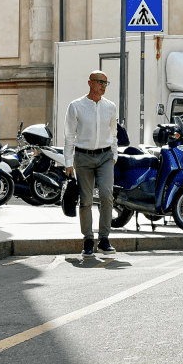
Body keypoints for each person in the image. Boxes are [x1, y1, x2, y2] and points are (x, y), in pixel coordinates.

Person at [65, 71, 118, 256]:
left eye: (106, 82)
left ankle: (104, 239)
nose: (103, 85)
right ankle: (88, 240)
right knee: (86, 200)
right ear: (90, 83)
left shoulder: (110, 106)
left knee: (106, 195)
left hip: (105, 157)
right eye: (99, 82)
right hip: (83, 158)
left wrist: (114, 155)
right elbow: (70, 135)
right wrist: (68, 162)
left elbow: (114, 133)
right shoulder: (76, 106)